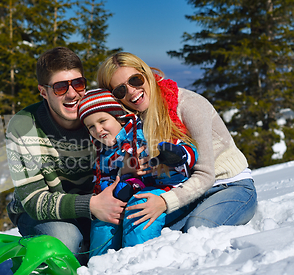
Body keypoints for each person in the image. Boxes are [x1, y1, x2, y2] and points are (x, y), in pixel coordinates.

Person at [96, 52, 258, 232]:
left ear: (146, 74)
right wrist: (126, 169)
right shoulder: (134, 120)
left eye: (135, 80)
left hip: (230, 185)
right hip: (188, 191)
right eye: (120, 90)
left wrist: (164, 202)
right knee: (146, 229)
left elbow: (206, 175)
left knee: (197, 228)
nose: (132, 91)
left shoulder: (188, 105)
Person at [5, 47, 124, 264]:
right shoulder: (23, 126)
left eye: (78, 84)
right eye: (60, 88)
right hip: (42, 213)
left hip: (98, 207)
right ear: (43, 92)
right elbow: (33, 201)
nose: (72, 94)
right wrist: (91, 205)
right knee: (65, 240)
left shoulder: (99, 118)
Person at [77, 89, 198, 257]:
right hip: (125, 193)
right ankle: (100, 265)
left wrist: (176, 155)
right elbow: (101, 181)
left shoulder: (144, 132)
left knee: (139, 208)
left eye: (103, 120)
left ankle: (137, 260)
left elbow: (187, 149)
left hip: (163, 188)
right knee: (104, 221)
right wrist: (119, 181)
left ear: (119, 117)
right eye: (91, 126)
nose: (98, 129)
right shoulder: (103, 153)